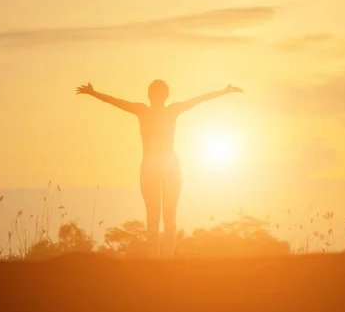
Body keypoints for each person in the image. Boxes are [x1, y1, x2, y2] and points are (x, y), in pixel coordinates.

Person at [76, 80, 243, 258]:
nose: (157, 96)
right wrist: (94, 93)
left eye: (158, 93)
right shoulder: (147, 110)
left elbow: (198, 100)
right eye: (155, 93)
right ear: (155, 95)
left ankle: (164, 260)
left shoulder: (164, 110)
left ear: (163, 95)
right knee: (156, 217)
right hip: (153, 164)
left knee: (165, 217)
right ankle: (156, 260)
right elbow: (116, 101)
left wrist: (223, 92)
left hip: (166, 163)